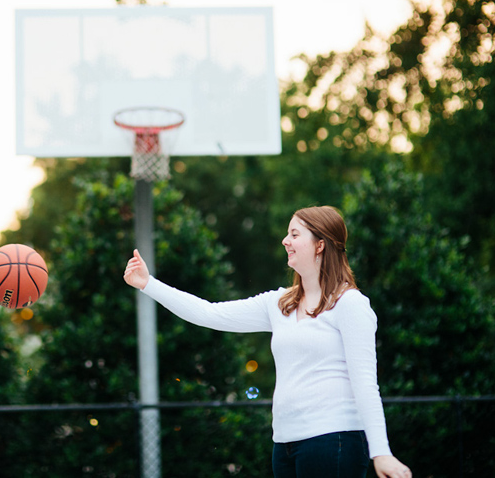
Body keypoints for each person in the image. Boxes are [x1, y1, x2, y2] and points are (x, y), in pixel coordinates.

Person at [123, 205, 411, 478]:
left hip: (334, 439)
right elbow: (210, 313)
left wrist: (381, 452)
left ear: (320, 245)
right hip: (284, 445)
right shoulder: (279, 303)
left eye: (295, 234)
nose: (285, 240)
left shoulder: (350, 304)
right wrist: (148, 283)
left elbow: (365, 382)